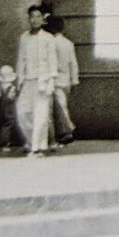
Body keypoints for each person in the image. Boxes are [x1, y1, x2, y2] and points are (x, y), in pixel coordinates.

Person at [14, 3, 58, 157]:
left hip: (43, 81)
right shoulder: (24, 37)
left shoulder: (48, 38)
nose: (34, 20)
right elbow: (21, 60)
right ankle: (31, 141)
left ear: (43, 19)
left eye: (38, 16)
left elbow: (53, 60)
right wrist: (19, 81)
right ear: (29, 19)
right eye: (32, 17)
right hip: (27, 81)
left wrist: (51, 81)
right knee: (22, 113)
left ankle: (37, 148)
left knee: (41, 115)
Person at [48, 15, 79, 148]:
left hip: (54, 79)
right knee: (62, 105)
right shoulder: (68, 43)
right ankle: (66, 131)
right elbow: (73, 63)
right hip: (65, 80)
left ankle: (66, 131)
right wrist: (74, 79)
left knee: (58, 108)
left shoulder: (51, 43)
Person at [0, 64, 22, 153]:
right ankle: (7, 142)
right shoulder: (12, 88)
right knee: (9, 125)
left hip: (0, 110)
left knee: (2, 126)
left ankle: (4, 142)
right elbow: (15, 99)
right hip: (10, 110)